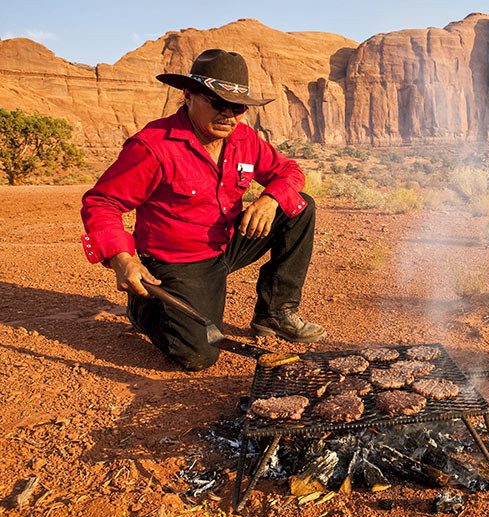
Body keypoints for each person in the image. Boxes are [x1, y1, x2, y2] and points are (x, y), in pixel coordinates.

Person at [80, 49, 326, 371]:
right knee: (198, 355)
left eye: (237, 107)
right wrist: (122, 260)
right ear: (189, 96)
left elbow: (289, 172)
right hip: (179, 261)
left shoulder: (244, 138)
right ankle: (145, 306)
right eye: (217, 103)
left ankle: (275, 314)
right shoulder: (153, 146)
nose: (229, 115)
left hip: (227, 243)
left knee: (299, 206)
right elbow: (102, 202)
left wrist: (269, 200)